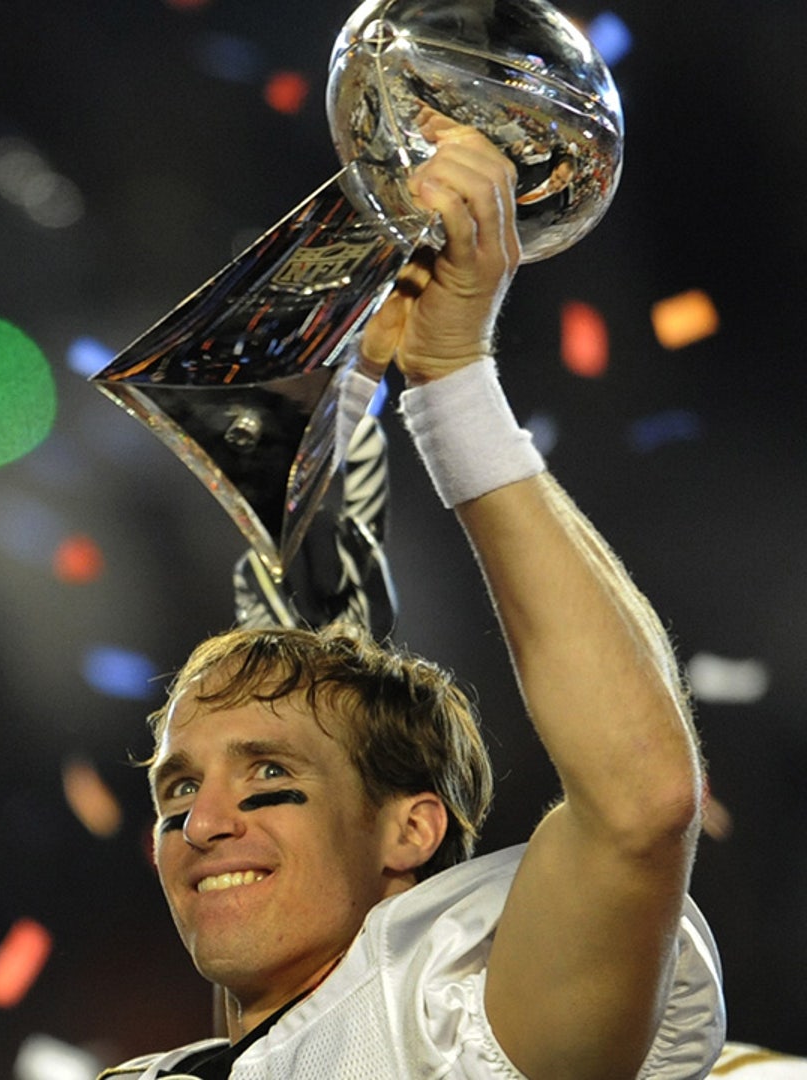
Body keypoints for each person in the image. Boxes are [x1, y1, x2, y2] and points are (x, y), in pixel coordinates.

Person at [100, 117, 726, 1078]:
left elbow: (643, 803)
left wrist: (454, 383)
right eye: (178, 789)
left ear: (410, 829)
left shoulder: (432, 1023)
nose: (203, 822)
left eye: (271, 780)